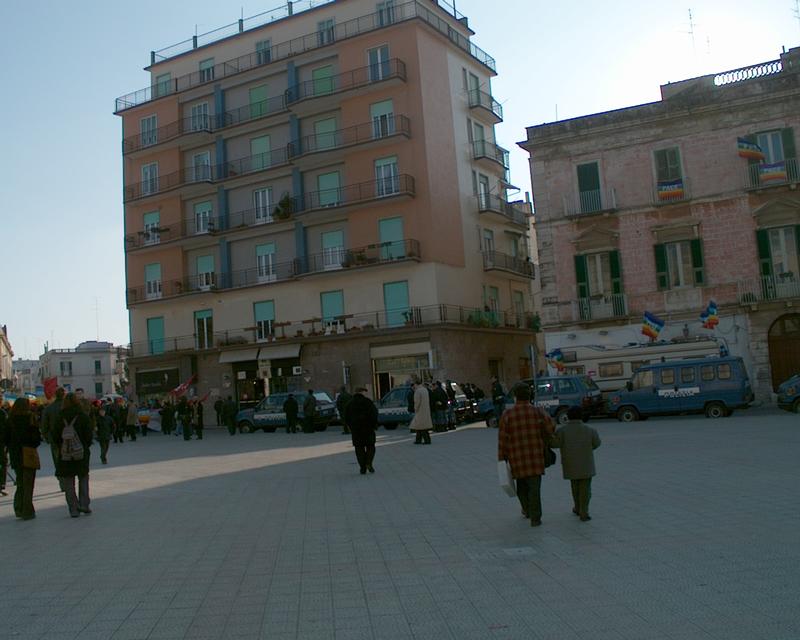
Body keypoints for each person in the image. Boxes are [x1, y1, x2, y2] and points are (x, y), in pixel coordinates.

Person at [497, 383, 555, 527]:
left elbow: (502, 439)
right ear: (530, 396)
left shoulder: (507, 415)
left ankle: (527, 509)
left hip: (517, 458)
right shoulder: (538, 412)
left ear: (515, 397)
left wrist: (501, 458)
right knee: (535, 488)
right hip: (535, 456)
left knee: (521, 487)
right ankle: (535, 518)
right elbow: (551, 428)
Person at [550, 407, 601, 522]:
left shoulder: (562, 431)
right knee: (586, 489)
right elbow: (597, 443)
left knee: (575, 487)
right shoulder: (590, 430)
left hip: (570, 463)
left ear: (568, 417)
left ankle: (577, 507)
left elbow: (554, 444)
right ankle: (584, 511)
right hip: (586, 463)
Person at [54, 393, 93, 518]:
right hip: (81, 453)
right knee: (83, 477)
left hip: (65, 454)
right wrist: (84, 445)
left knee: (68, 481)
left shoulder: (59, 417)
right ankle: (84, 504)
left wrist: (62, 446)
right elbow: (89, 435)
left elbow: (55, 436)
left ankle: (73, 508)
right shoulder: (83, 416)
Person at [6, 398, 42, 520]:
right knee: (29, 483)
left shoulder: (10, 419)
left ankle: (18, 507)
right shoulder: (30, 418)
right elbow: (36, 438)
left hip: (15, 454)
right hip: (28, 453)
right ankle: (27, 509)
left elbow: (6, 438)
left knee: (20, 482)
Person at [345, 388, 379, 474]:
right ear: (362, 393)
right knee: (371, 446)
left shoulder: (350, 404)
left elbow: (346, 417)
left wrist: (350, 426)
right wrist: (374, 425)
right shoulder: (368, 402)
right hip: (368, 429)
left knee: (359, 449)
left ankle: (362, 467)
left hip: (356, 430)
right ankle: (369, 462)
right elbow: (374, 414)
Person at [41, 387, 66, 490]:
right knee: (68, 459)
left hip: (54, 439)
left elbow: (44, 425)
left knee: (57, 460)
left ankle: (61, 481)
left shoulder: (49, 408)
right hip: (68, 437)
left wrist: (47, 437)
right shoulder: (69, 407)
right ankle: (68, 481)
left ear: (55, 395)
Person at [408, 378, 432, 445]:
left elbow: (417, 402)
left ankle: (426, 440)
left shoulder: (418, 391)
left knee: (421, 427)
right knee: (420, 427)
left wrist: (415, 409)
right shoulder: (425, 389)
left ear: (416, 384)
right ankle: (418, 439)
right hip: (426, 410)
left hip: (420, 411)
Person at [0, 393, 8, 497]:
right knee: (3, 463)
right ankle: (1, 484)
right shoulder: (2, 413)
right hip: (1, 443)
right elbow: (6, 429)